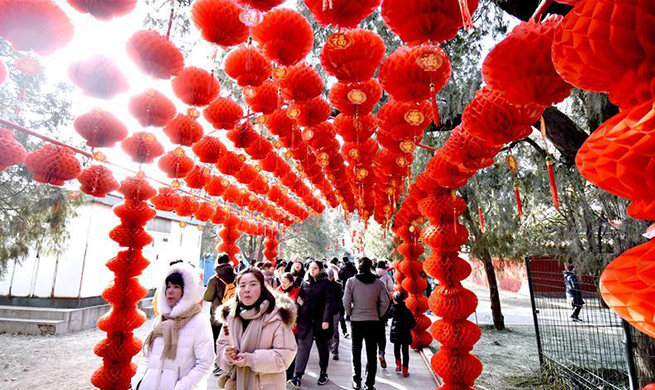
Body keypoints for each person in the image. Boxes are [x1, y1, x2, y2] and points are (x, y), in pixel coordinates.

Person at [132, 262, 214, 390]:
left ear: (187, 291)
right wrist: (139, 382)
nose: (170, 291)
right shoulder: (161, 319)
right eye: (168, 286)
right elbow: (147, 355)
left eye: (176, 286)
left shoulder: (199, 322)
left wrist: (180, 388)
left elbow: (205, 364)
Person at [215, 268, 297, 390]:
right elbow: (221, 346)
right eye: (242, 285)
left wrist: (251, 359)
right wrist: (227, 356)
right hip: (236, 383)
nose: (247, 289)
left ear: (262, 288)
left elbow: (283, 357)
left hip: (266, 385)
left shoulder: (277, 318)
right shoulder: (231, 316)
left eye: (253, 284)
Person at [343, 257, 390, 390]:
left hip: (357, 321)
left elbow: (346, 301)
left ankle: (356, 381)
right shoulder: (378, 283)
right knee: (371, 352)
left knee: (356, 351)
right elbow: (385, 302)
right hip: (373, 321)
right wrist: (378, 314)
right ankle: (369, 384)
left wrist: (350, 313)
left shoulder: (351, 282)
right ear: (371, 266)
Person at [288, 260, 335, 388]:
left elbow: (329, 303)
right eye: (310, 268)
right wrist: (298, 314)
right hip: (306, 320)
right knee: (303, 347)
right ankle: (297, 375)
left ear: (320, 269)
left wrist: (325, 320)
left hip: (321, 321)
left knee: (322, 348)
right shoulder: (305, 282)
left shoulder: (326, 283)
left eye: (315, 268)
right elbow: (300, 300)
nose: (312, 270)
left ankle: (323, 373)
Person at [204, 254, 236, 353]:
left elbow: (208, 297)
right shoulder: (237, 276)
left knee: (216, 336)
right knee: (231, 337)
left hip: (217, 313)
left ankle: (218, 358)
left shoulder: (214, 279)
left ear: (218, 262)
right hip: (233, 311)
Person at [277, 272, 301, 381]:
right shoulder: (278, 290)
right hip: (280, 326)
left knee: (291, 350)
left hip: (293, 327)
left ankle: (290, 375)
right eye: (282, 282)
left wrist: (295, 319)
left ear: (291, 283)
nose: (283, 284)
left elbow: (301, 307)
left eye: (285, 282)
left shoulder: (298, 291)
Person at [389, 291, 415, 378]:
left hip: (396, 333)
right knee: (405, 352)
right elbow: (413, 323)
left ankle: (398, 365)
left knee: (396, 349)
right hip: (405, 334)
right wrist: (407, 327)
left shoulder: (393, 309)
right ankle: (405, 371)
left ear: (394, 299)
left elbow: (387, 316)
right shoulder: (407, 310)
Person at [375, 260, 393, 366]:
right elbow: (391, 287)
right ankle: (381, 352)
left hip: (372, 308)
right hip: (383, 306)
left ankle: (371, 357)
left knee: (372, 334)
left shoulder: (373, 275)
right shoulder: (386, 276)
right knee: (381, 333)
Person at [326, 269, 344, 361]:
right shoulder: (323, 285)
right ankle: (329, 348)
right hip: (325, 311)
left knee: (335, 331)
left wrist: (341, 311)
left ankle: (335, 351)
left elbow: (340, 300)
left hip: (334, 311)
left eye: (330, 276)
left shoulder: (338, 286)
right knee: (327, 331)